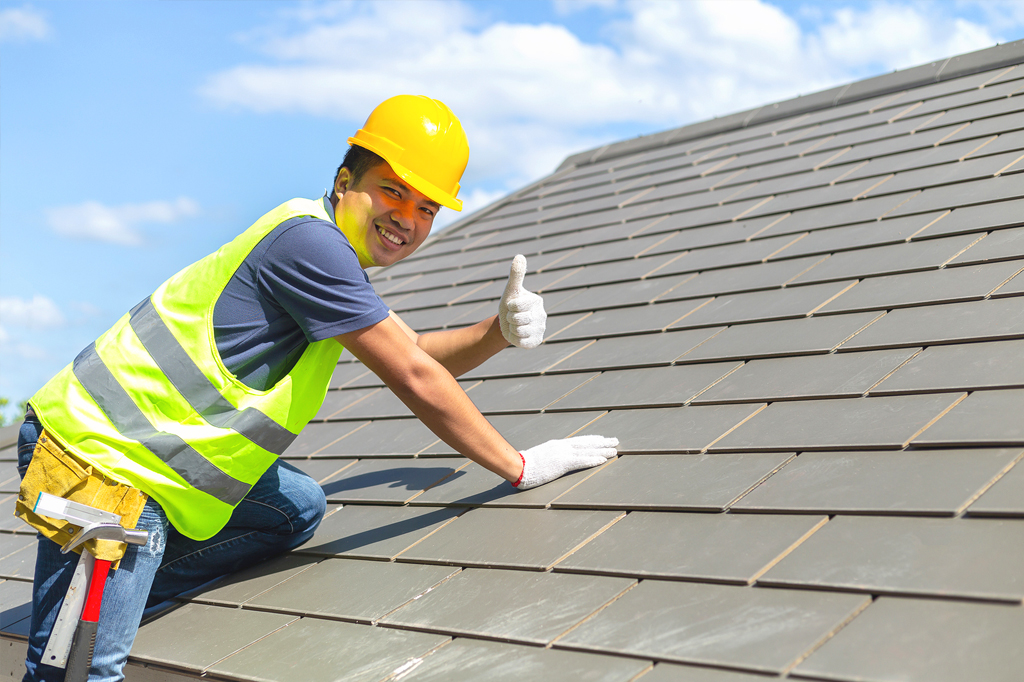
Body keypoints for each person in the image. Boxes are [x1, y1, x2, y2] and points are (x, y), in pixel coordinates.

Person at [16, 95, 618, 681]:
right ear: (343, 181)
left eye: (428, 208)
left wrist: (497, 332)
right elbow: (412, 376)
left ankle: (113, 588)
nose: (407, 219)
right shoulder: (310, 246)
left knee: (293, 509)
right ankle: (86, 615)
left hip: (154, 459)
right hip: (102, 464)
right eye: (393, 191)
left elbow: (416, 354)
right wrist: (518, 467)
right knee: (83, 668)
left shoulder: (331, 257)